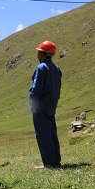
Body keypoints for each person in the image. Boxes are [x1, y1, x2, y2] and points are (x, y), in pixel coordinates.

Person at [29, 40, 62, 169]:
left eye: (39, 52)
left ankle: (48, 163)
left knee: (43, 134)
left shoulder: (41, 68)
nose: (37, 55)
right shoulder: (56, 68)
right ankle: (56, 160)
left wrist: (33, 103)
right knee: (52, 133)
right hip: (51, 106)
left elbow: (36, 89)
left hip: (41, 107)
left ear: (43, 54)